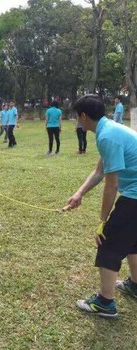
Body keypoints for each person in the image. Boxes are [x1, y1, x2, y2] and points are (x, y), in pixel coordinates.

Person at [66, 94, 137, 319]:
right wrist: (79, 194)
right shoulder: (108, 129)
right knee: (132, 242)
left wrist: (102, 222)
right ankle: (135, 285)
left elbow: (111, 184)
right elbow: (99, 170)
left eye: (77, 117)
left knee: (108, 243)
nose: (76, 121)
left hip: (134, 196)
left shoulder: (107, 136)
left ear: (84, 116)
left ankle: (106, 303)